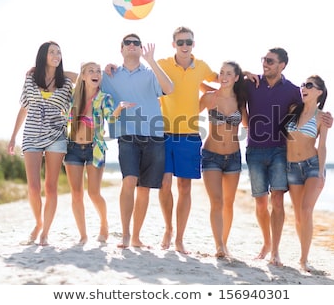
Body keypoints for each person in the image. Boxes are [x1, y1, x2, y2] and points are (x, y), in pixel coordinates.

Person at [243, 47, 333, 266]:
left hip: (289, 157)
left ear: (282, 64)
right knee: (266, 204)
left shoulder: (294, 92)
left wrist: (320, 170)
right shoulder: (253, 84)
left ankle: (290, 256)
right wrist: (245, 72)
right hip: (268, 155)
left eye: (271, 61)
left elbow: (319, 136)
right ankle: (269, 244)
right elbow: (227, 77)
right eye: (264, 59)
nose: (265, 64)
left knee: (290, 205)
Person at [102, 33, 174, 248]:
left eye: (136, 43)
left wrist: (151, 60)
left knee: (144, 188)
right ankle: (125, 234)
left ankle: (136, 237)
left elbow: (169, 89)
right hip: (127, 135)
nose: (132, 45)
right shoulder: (110, 75)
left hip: (154, 135)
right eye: (128, 43)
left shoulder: (151, 73)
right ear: (121, 48)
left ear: (141, 48)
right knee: (129, 180)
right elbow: (84, 77)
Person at [156, 26, 218, 254]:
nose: (184, 46)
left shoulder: (201, 66)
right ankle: (168, 228)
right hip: (162, 133)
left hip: (190, 135)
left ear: (193, 44)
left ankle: (180, 238)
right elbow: (140, 74)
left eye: (188, 42)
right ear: (173, 44)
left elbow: (220, 79)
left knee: (184, 186)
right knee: (163, 184)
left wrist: (247, 75)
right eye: (180, 42)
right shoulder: (162, 64)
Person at [8, 41, 73, 246]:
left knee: (51, 186)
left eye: (59, 53)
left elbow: (86, 76)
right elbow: (23, 108)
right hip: (32, 136)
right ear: (43, 55)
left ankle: (45, 233)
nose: (56, 55)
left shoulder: (66, 83)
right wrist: (13, 137)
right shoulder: (30, 78)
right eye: (52, 52)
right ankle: (38, 222)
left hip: (56, 136)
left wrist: (61, 71)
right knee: (34, 187)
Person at [64, 61, 131, 246]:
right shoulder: (72, 96)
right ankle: (83, 235)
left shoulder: (104, 97)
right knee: (76, 194)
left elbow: (110, 118)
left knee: (94, 193)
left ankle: (104, 224)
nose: (96, 74)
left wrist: (119, 108)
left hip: (95, 149)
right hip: (72, 149)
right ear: (83, 76)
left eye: (98, 71)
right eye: (90, 71)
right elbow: (61, 76)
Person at [199, 61, 248, 258]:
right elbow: (186, 113)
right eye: (221, 73)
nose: (224, 76)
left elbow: (248, 124)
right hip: (211, 155)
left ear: (236, 77)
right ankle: (218, 245)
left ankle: (224, 243)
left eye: (229, 73)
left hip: (234, 158)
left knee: (229, 202)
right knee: (216, 202)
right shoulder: (209, 98)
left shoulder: (240, 101)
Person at [285, 75, 329, 272]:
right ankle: (303, 255)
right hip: (292, 166)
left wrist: (320, 172)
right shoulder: (294, 110)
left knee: (306, 210)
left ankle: (304, 259)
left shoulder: (322, 117)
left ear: (319, 92)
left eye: (309, 85)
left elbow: (322, 146)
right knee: (298, 215)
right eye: (303, 84)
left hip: (312, 166)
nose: (304, 87)